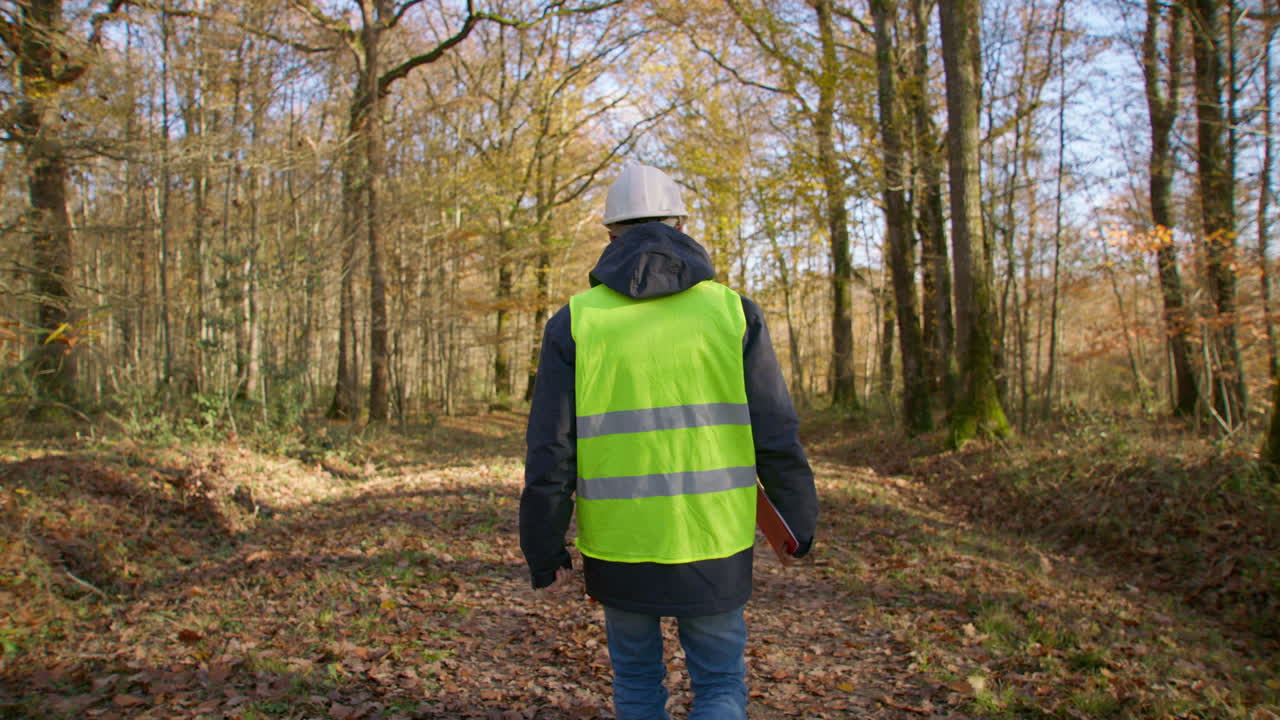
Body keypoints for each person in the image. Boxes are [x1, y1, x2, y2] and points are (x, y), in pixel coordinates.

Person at [519, 163, 818, 720]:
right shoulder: (732, 312)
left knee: (635, 683)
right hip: (714, 540)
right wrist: (796, 522)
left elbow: (551, 452)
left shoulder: (576, 322)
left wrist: (543, 547)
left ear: (611, 237)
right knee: (721, 687)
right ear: (682, 226)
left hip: (620, 545)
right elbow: (775, 429)